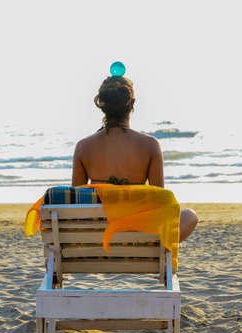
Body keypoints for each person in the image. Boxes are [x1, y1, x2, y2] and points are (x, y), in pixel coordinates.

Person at [72, 75, 198, 242]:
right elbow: (159, 203)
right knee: (190, 216)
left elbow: (76, 205)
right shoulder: (150, 145)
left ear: (102, 105)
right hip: (141, 242)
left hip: (98, 241)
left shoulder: (83, 147)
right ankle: (160, 251)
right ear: (132, 104)